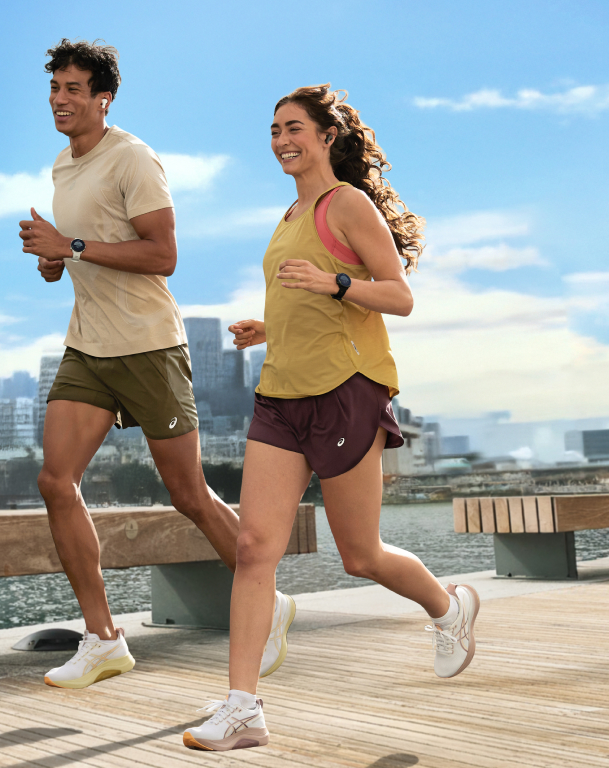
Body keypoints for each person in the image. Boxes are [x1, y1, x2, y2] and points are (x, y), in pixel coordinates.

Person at [183, 84, 480, 752]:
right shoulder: (289, 214)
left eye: (294, 128)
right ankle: (243, 708)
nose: (281, 140)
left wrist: (336, 284)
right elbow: (305, 296)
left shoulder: (347, 204)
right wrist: (269, 327)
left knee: (360, 555)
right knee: (254, 547)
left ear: (326, 136)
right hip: (280, 397)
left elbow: (398, 295)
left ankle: (449, 607)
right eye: (274, 130)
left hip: (346, 391)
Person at [18, 39, 295, 690]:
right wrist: (54, 259)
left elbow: (162, 254)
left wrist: (72, 244)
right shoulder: (62, 165)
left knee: (188, 494)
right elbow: (80, 255)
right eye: (54, 88)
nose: (59, 100)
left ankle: (270, 600)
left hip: (148, 345)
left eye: (73, 89)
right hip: (89, 346)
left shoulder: (133, 158)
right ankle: (103, 638)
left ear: (103, 98)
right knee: (56, 481)